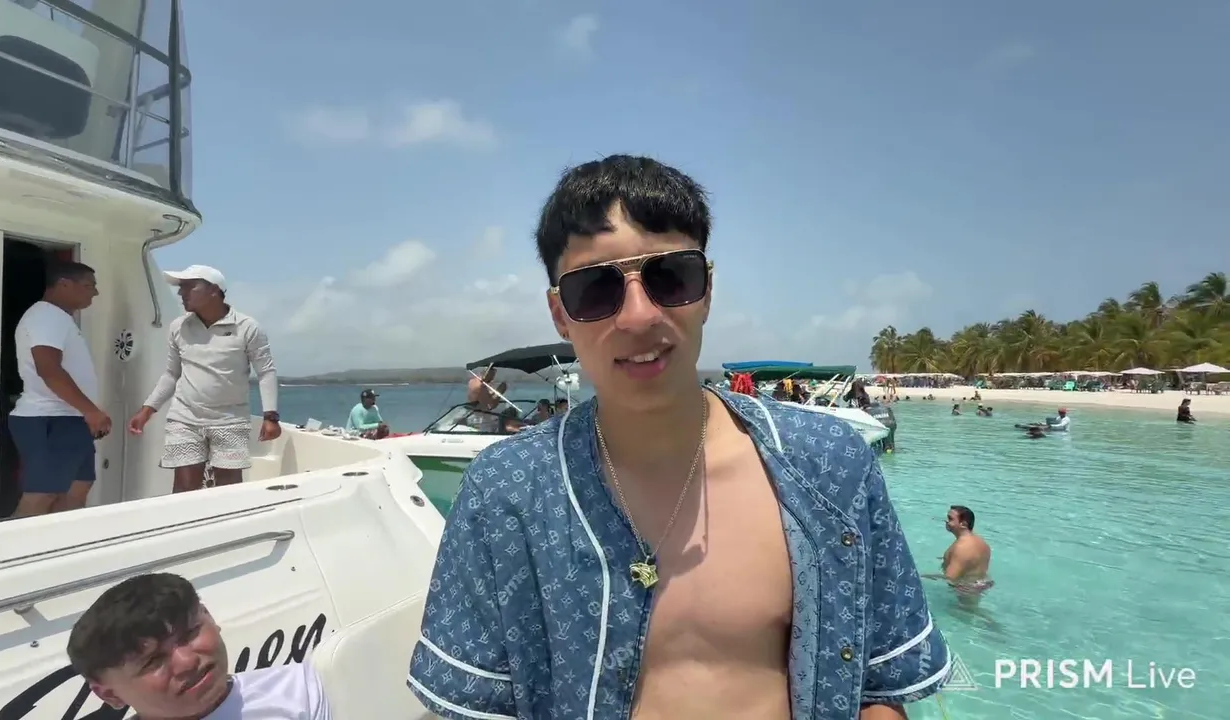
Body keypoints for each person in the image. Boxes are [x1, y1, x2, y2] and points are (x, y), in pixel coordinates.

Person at [407, 155, 949, 720]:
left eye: (670, 277)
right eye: (594, 289)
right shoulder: (507, 492)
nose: (639, 317)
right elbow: (478, 706)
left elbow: (877, 687)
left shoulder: (828, 464)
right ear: (560, 315)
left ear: (707, 289)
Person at [67, 572, 331, 719]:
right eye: (153, 661)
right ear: (109, 695)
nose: (187, 661)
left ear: (210, 617)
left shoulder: (304, 689)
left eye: (190, 634)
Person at [127, 265, 282, 493]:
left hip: (230, 419)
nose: (181, 293)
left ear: (214, 290)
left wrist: (271, 417)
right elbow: (171, 374)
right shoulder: (179, 327)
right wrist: (146, 410)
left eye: (189, 286)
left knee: (228, 488)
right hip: (185, 418)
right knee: (184, 487)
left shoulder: (248, 327)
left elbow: (265, 372)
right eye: (181, 287)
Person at [8, 261, 109, 517]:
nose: (95, 293)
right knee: (42, 496)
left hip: (70, 418)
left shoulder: (58, 318)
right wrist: (91, 411)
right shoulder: (47, 316)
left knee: (76, 490)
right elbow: (48, 369)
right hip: (50, 418)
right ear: (64, 284)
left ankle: (62, 541)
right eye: (89, 286)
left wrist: (86, 412)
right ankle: (9, 543)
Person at [924, 505, 994, 606]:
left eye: (950, 519)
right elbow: (970, 561)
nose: (946, 521)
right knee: (972, 610)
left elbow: (949, 578)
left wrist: (923, 577)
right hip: (978, 584)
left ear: (963, 524)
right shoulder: (980, 541)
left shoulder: (961, 548)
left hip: (964, 590)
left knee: (966, 612)